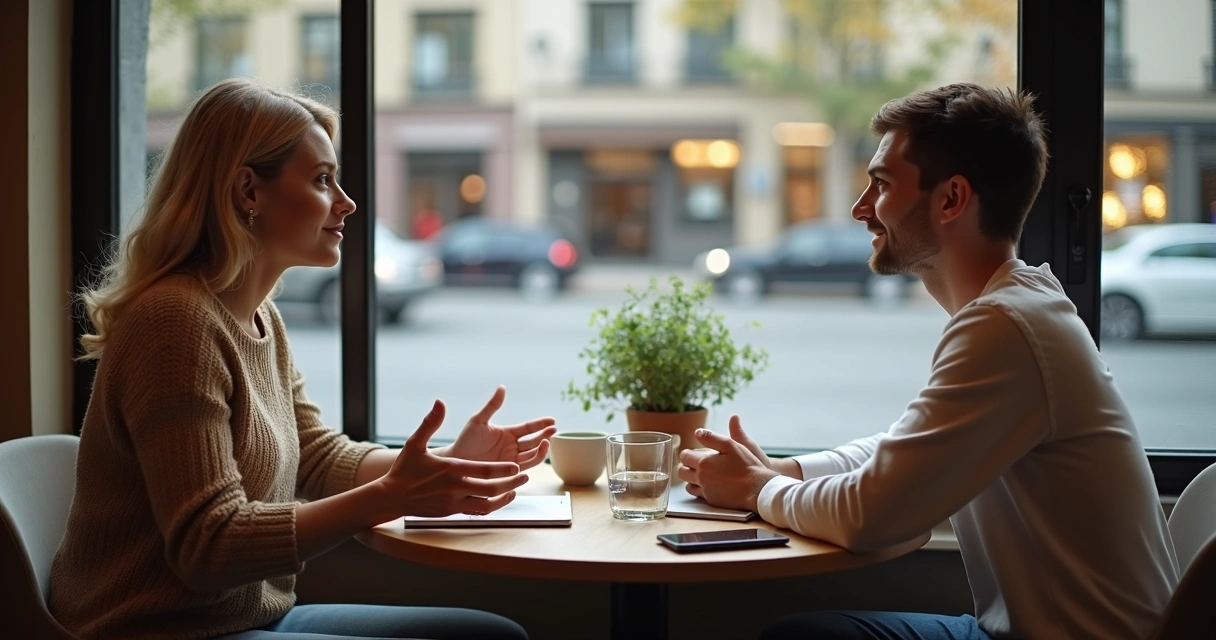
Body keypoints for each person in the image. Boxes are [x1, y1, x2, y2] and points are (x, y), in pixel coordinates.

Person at [49, 78, 556, 640]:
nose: (347, 202)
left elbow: (318, 457)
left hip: (245, 618)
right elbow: (207, 547)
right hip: (157, 630)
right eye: (322, 180)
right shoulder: (174, 323)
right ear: (248, 191)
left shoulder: (259, 317)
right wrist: (391, 495)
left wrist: (444, 463)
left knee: (492, 634)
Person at [678, 83, 1179, 640]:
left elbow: (875, 513)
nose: (860, 209)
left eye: (882, 184)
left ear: (950, 199)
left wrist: (754, 490)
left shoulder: (1008, 326)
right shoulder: (1019, 304)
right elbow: (905, 446)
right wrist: (786, 470)